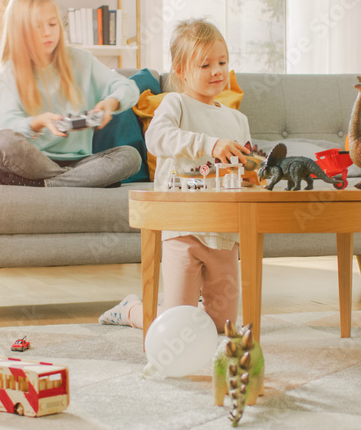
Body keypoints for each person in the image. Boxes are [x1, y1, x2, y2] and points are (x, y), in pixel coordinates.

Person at [99, 19, 250, 332]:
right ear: (181, 71)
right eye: (205, 64)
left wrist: (251, 175)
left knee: (222, 325)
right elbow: (157, 138)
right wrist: (209, 144)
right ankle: (132, 310)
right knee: (175, 325)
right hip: (182, 228)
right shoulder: (175, 104)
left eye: (222, 62)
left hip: (224, 234)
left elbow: (244, 171)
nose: (217, 71)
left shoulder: (238, 120)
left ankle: (186, 305)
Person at [0, 0, 141, 188]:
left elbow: (129, 88)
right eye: (37, 26)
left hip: (80, 162)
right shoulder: (6, 74)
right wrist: (37, 122)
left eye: (52, 24)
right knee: (2, 142)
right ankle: (79, 181)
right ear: (20, 32)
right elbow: (8, 125)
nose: (47, 33)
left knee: (131, 157)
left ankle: (44, 184)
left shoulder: (81, 61)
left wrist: (110, 103)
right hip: (35, 161)